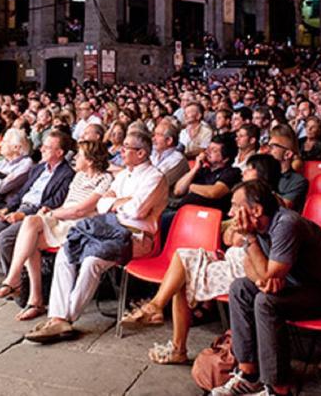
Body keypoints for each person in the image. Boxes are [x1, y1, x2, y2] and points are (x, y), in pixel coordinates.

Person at [120, 154, 282, 366]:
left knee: (184, 274)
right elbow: (227, 237)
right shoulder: (244, 200)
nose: (243, 172)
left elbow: (244, 241)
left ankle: (175, 341)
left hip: (248, 267)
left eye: (249, 169)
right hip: (231, 257)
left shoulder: (271, 205)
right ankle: (156, 307)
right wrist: (235, 234)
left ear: (262, 174)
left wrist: (238, 234)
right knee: (182, 257)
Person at [213, 181, 321, 396]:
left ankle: (278, 388)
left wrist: (252, 243)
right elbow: (254, 272)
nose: (230, 212)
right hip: (300, 288)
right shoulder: (258, 226)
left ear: (256, 210)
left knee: (266, 303)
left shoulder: (286, 224)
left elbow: (267, 273)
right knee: (240, 288)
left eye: (236, 206)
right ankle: (249, 374)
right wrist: (264, 278)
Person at [24, 129, 166, 343]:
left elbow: (137, 212)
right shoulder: (124, 175)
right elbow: (101, 205)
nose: (122, 150)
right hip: (107, 228)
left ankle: (63, 319)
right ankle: (57, 317)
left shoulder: (155, 177)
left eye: (127, 147)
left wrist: (116, 203)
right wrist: (120, 202)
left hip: (137, 237)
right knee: (67, 251)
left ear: (141, 153)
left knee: (91, 261)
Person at [0, 139, 113, 321]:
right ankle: (21, 285)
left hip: (81, 224)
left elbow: (81, 210)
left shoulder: (105, 179)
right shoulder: (79, 176)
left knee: (31, 238)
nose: (75, 157)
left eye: (79, 155)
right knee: (31, 225)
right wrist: (50, 212)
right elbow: (68, 203)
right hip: (64, 217)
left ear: (91, 160)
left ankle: (28, 293)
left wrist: (54, 213)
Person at [0, 131, 75, 297]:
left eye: (47, 147)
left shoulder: (66, 174)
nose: (41, 149)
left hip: (37, 216)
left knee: (3, 240)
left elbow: (54, 204)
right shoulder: (39, 168)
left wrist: (22, 215)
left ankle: (18, 284)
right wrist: (7, 209)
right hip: (19, 209)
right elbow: (21, 193)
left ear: (59, 153)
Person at [150, 118, 189, 187]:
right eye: (154, 134)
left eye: (158, 135)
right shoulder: (154, 154)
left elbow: (159, 184)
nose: (153, 139)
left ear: (169, 140)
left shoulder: (179, 160)